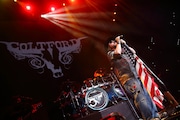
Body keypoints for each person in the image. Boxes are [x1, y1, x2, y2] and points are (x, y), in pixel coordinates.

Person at [105, 35, 160, 120]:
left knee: (147, 95)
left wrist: (124, 44)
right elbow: (118, 53)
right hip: (128, 79)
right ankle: (149, 117)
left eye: (115, 41)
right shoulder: (110, 54)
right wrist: (118, 42)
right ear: (108, 45)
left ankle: (155, 115)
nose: (115, 42)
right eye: (112, 41)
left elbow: (133, 52)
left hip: (137, 75)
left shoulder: (122, 49)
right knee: (140, 97)